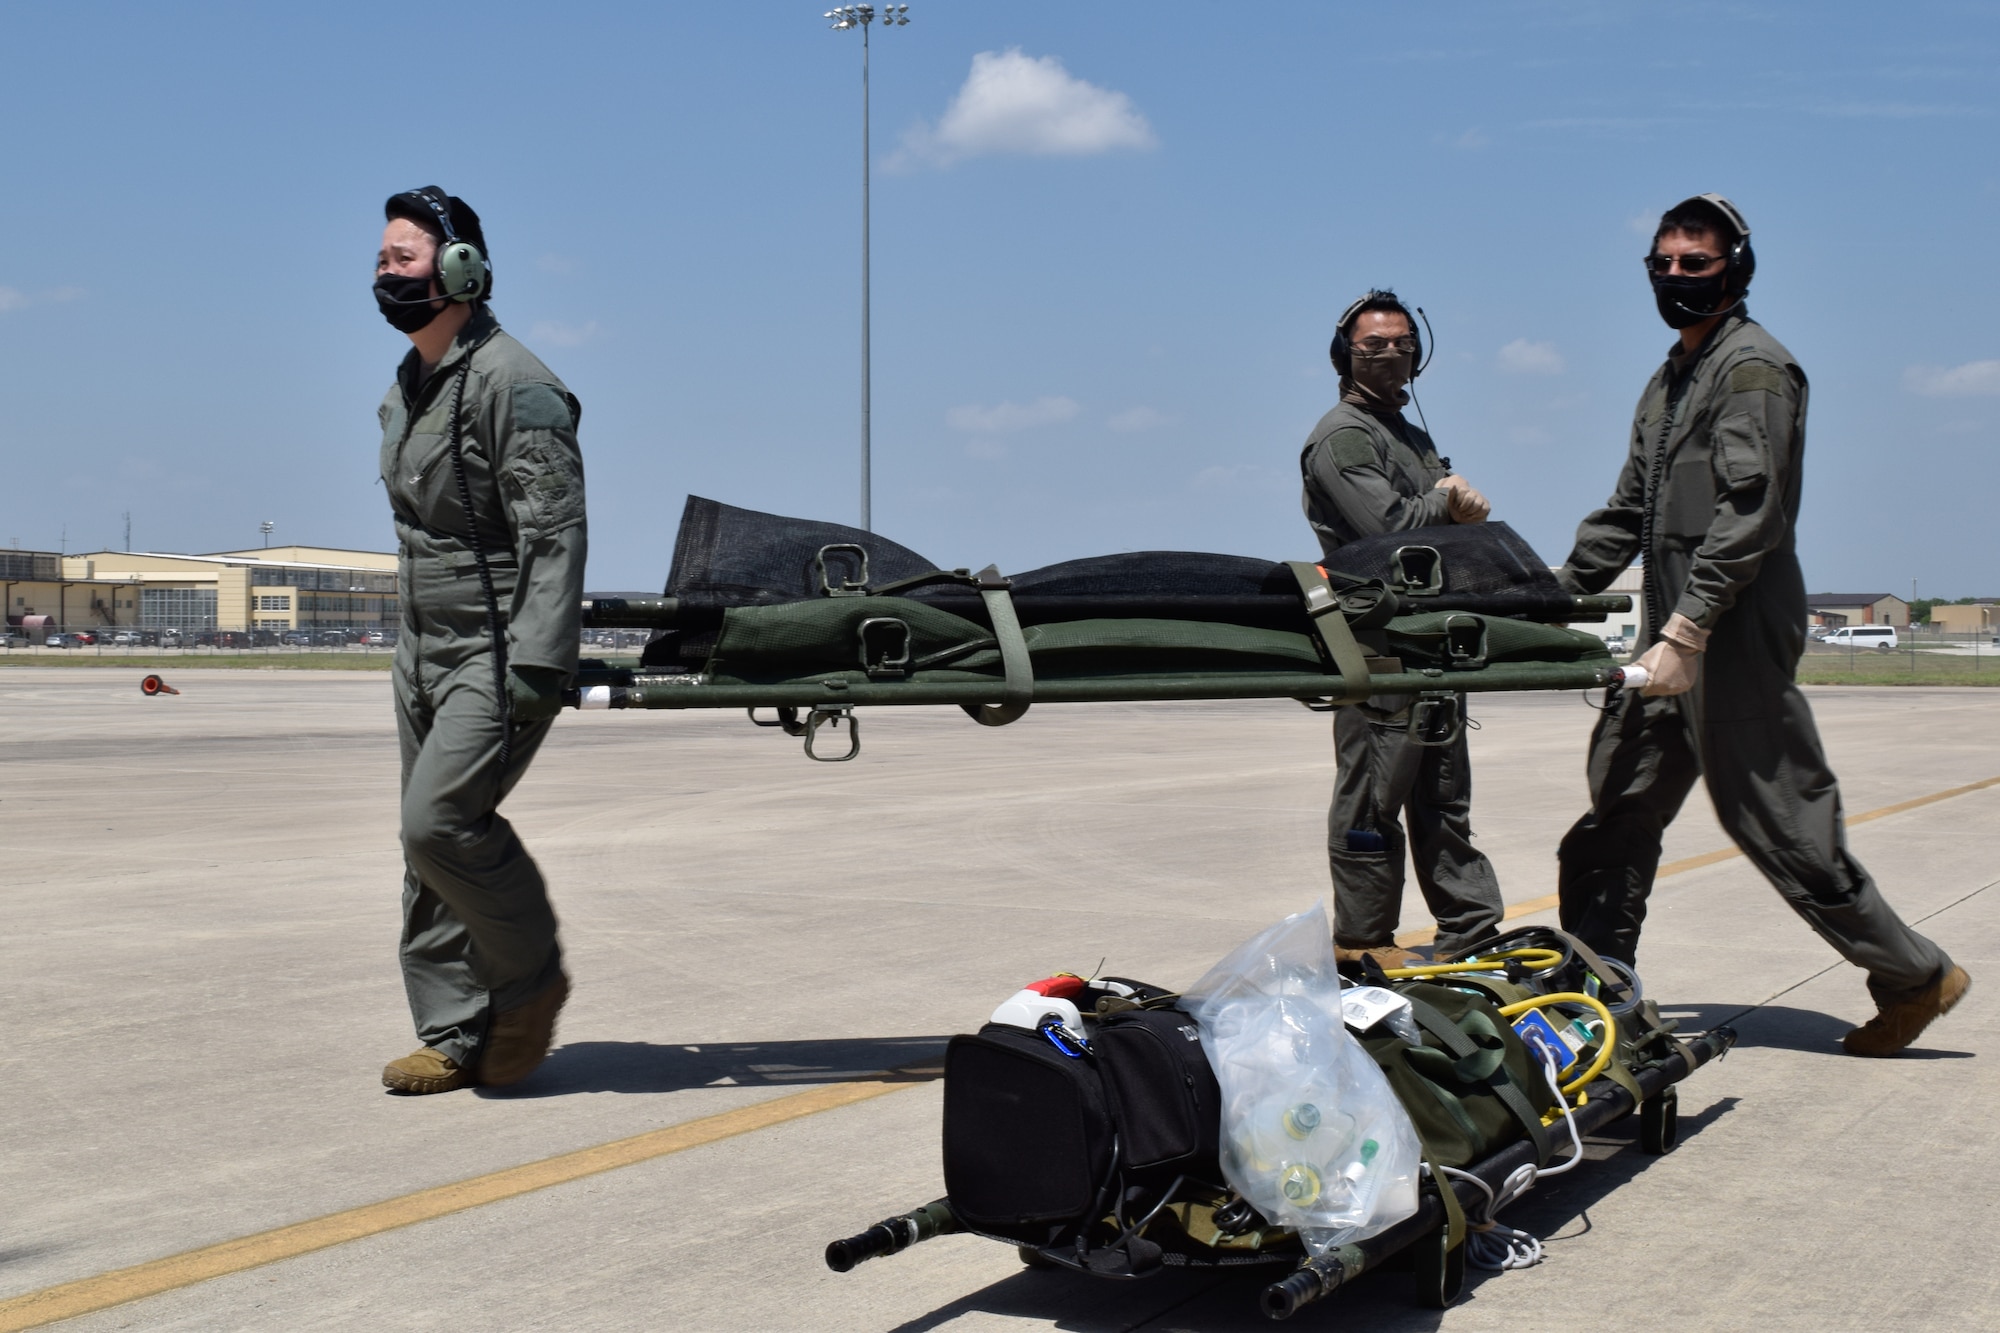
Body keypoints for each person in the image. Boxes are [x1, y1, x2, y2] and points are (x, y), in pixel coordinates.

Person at [1555, 194, 1969, 1056]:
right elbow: (1629, 511)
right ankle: (1594, 992)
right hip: (1670, 627)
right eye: (1662, 263)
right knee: (1615, 809)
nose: (1674, 276)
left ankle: (1913, 974)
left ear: (1735, 269)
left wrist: (1689, 632)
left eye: (1694, 263)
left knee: (1778, 820)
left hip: (1728, 626)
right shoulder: (1670, 378)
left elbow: (1751, 514)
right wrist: (1544, 597)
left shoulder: (1753, 370)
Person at [372, 186, 587, 1093]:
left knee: (441, 822)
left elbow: (554, 531)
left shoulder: (515, 384)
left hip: (492, 645)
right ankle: (452, 1031)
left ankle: (529, 985)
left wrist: (540, 658)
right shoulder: (409, 387)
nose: (385, 272)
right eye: (382, 258)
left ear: (460, 269)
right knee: (423, 843)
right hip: (420, 642)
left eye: (404, 257)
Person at [1299, 290, 1502, 968]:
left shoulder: (1409, 436)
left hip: (1431, 643)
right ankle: (1362, 939)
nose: (1391, 354)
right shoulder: (1344, 435)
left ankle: (1471, 933)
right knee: (1372, 799)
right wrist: (1446, 499)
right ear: (1345, 354)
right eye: (1373, 345)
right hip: (1379, 646)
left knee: (1444, 798)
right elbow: (1388, 529)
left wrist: (1445, 500)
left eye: (1402, 343)